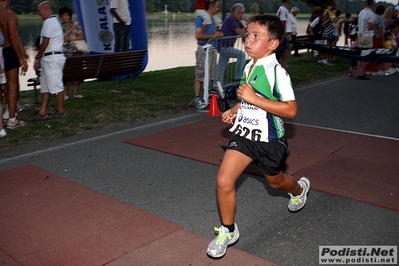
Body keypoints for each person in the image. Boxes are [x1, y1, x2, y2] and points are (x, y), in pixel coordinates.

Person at [206, 14, 310, 259]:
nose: (248, 41)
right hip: (245, 134)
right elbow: (248, 99)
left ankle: (298, 190)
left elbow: (291, 109)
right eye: (247, 35)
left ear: (272, 44)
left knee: (275, 182)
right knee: (223, 179)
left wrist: (255, 99)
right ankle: (228, 230)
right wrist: (235, 108)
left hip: (270, 140)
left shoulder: (277, 73)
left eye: (255, 36)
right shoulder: (248, 65)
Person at [31, 1, 66, 121]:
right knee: (45, 86)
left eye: (40, 10)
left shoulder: (49, 22)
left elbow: (45, 42)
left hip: (52, 58)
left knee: (56, 85)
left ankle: (61, 111)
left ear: (46, 9)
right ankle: (42, 111)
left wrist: (37, 57)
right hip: (49, 58)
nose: (39, 13)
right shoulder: (53, 22)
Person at [0, 0, 29, 129]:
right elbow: (14, 37)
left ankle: (1, 119)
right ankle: (12, 118)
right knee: (12, 84)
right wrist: (21, 57)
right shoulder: (10, 15)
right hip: (8, 50)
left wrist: (23, 52)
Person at [190, 0, 223, 109]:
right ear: (211, 7)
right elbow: (198, 35)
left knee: (210, 75)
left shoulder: (213, 19)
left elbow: (214, 33)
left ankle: (206, 95)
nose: (218, 9)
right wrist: (213, 35)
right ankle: (197, 97)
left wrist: (218, 34)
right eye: (216, 7)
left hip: (211, 50)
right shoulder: (201, 19)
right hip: (203, 50)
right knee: (200, 75)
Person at [216, 3, 246, 86]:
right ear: (233, 12)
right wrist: (243, 32)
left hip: (226, 46)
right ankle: (238, 77)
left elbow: (244, 30)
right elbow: (241, 33)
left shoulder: (237, 22)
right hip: (224, 46)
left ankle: (217, 86)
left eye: (242, 13)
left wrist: (244, 30)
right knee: (241, 55)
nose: (241, 15)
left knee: (221, 68)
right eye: (239, 13)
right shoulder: (230, 20)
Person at [58, 6, 84, 99]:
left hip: (76, 50)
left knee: (76, 72)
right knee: (66, 73)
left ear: (69, 15)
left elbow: (81, 36)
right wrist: (72, 28)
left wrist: (72, 38)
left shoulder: (76, 24)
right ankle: (66, 93)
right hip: (65, 51)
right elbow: (63, 37)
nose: (65, 18)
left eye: (66, 15)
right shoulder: (60, 26)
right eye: (63, 16)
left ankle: (76, 92)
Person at [356, 0, 375, 80]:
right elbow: (370, 27)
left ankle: (358, 72)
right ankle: (361, 73)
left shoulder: (361, 12)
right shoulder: (371, 14)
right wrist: (374, 24)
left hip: (361, 35)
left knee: (360, 55)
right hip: (368, 36)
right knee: (366, 55)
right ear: (372, 4)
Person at [276, 0, 292, 69]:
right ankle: (283, 73)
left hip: (284, 34)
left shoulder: (283, 9)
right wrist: (285, 34)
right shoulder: (283, 10)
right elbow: (283, 23)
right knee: (284, 57)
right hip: (285, 35)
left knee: (284, 56)